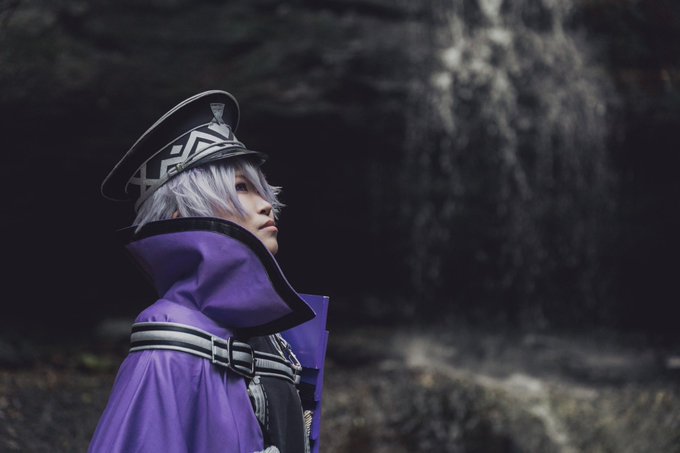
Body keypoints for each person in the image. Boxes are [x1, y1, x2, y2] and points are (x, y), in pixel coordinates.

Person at [90, 90, 329, 453]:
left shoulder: (270, 336)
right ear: (183, 216)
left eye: (261, 190)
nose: (266, 205)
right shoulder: (168, 345)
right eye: (241, 188)